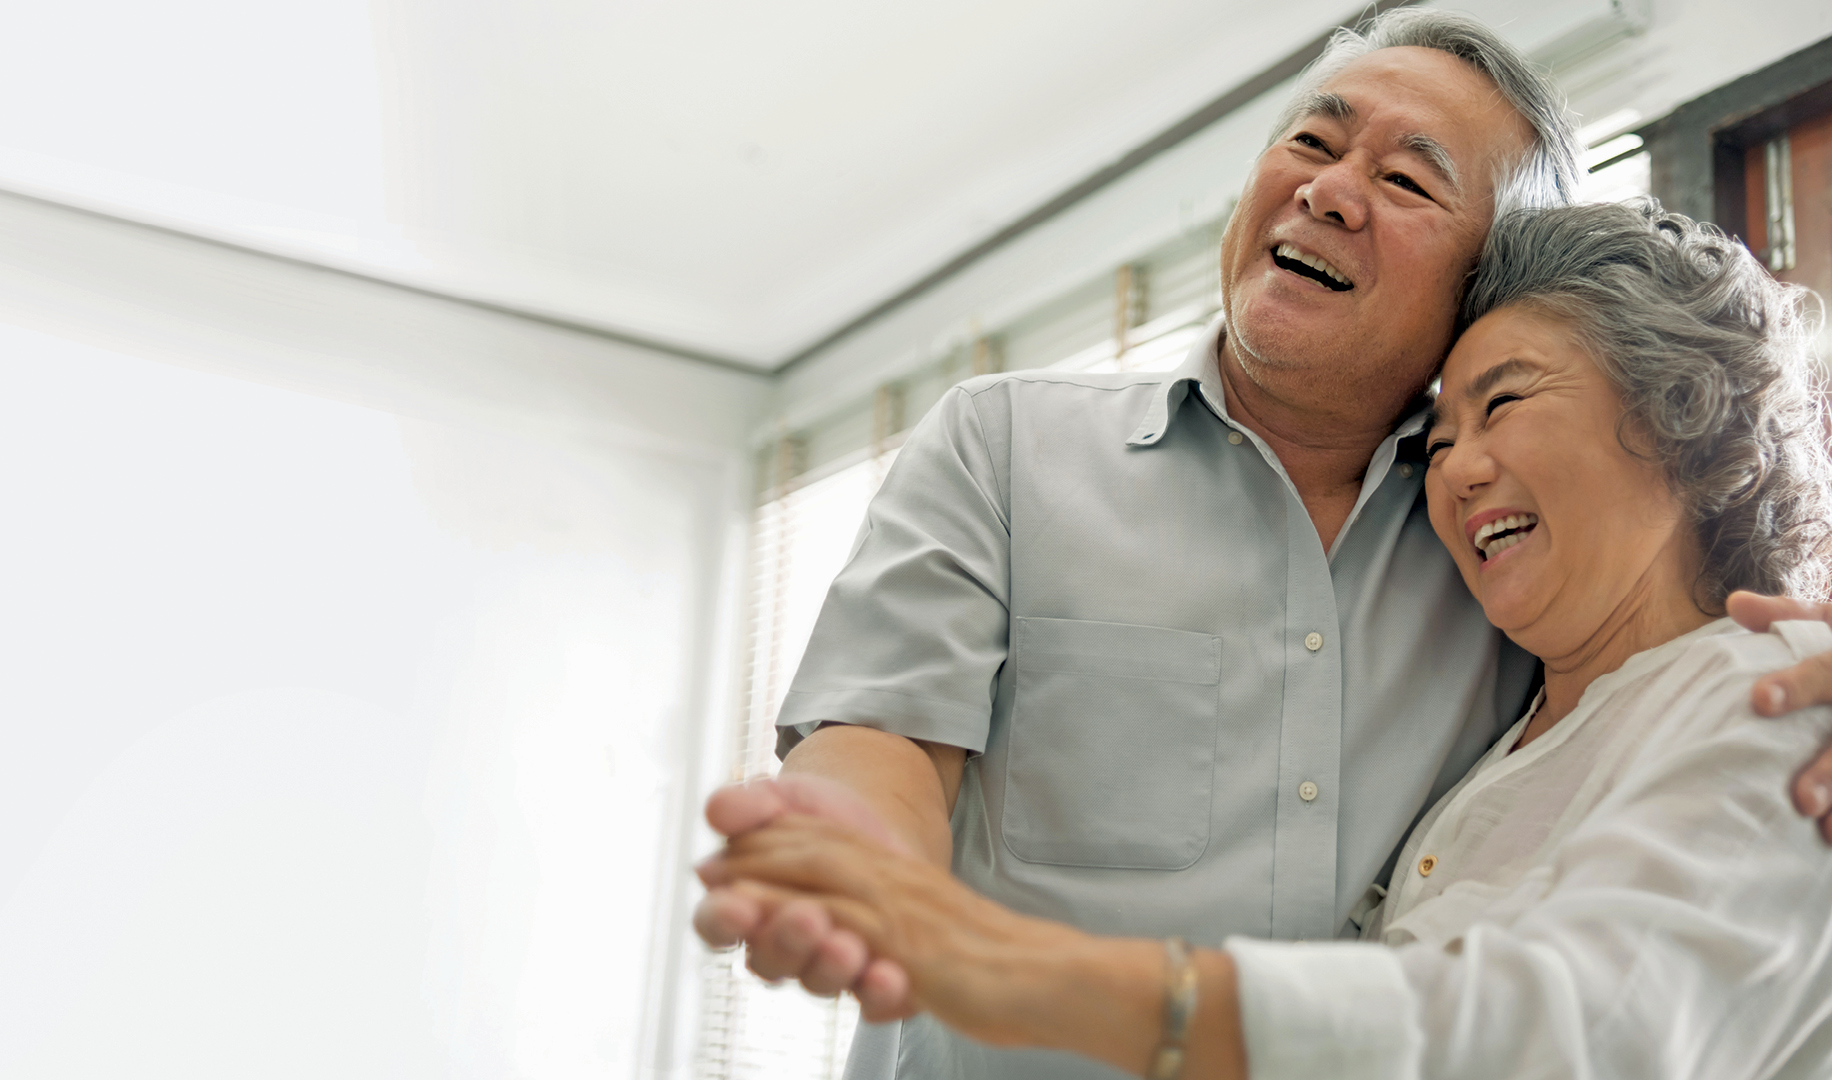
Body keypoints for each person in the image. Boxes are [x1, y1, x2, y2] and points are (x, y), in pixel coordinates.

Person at [693, 12, 1832, 1077]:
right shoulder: (1006, 443)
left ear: (1480, 289)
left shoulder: (1545, 596)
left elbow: (1587, 998)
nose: (1331, 191)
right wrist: (861, 863)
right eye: (1311, 141)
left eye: (1404, 180)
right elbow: (878, 740)